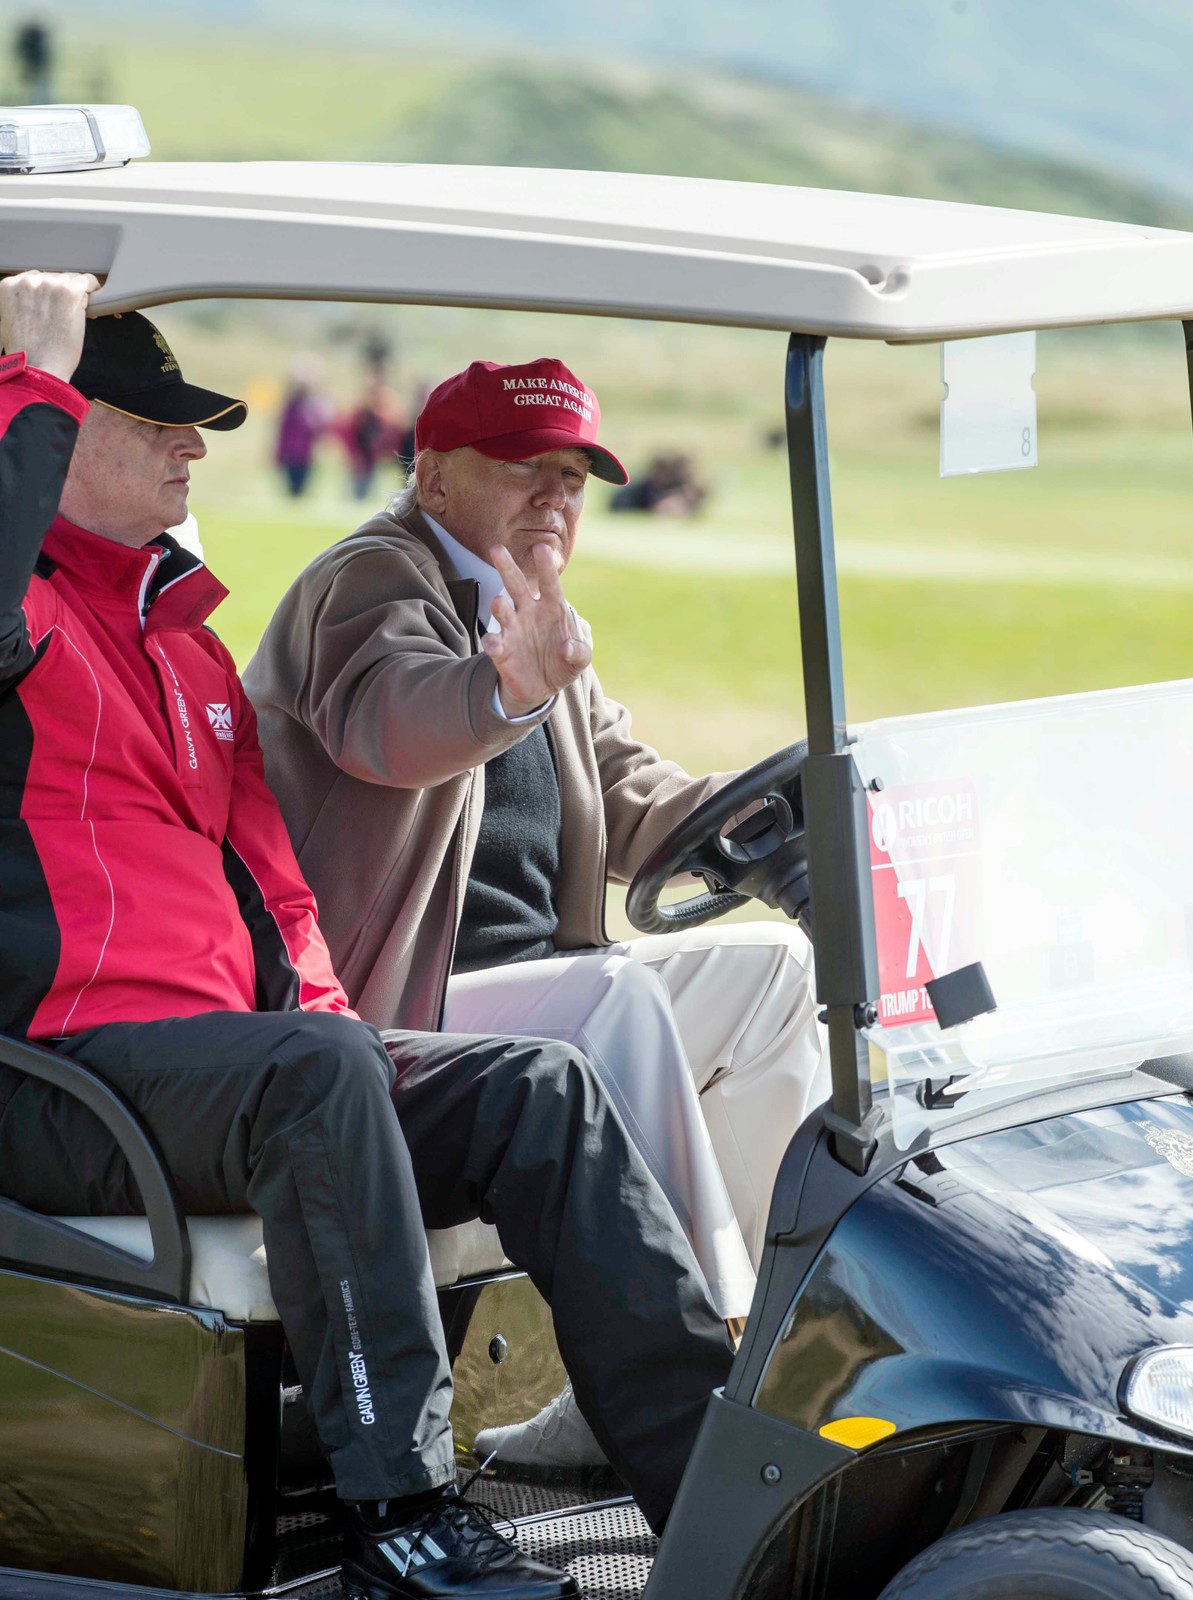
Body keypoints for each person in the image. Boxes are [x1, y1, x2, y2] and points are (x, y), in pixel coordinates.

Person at [0, 278, 734, 1595]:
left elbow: (277, 896)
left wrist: (345, 1030)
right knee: (315, 1073)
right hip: (61, 1074)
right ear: (55, 433)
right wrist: (29, 383)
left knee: (537, 1087)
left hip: (225, 1068)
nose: (197, 444)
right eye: (156, 419)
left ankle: (718, 1493)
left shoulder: (184, 649)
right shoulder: (28, 629)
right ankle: (401, 1511)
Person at [245, 358, 827, 1466]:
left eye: (574, 474)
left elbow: (633, 789)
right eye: (526, 469)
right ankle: (679, 1363)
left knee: (774, 981)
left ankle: (737, 1350)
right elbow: (395, 724)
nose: (557, 494)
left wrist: (791, 814)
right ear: (432, 474)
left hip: (530, 1002)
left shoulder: (535, 612)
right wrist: (507, 691)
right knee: (609, 998)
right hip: (381, 1019)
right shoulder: (368, 582)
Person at [274, 357, 332, 497]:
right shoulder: (290, 406)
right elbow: (283, 432)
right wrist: (279, 454)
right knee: (292, 490)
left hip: (307, 456)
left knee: (302, 490)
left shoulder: (316, 405)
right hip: (291, 455)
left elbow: (322, 429)